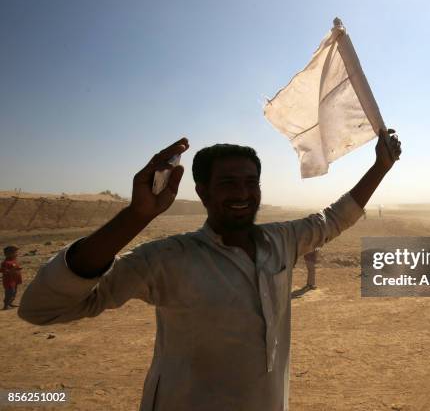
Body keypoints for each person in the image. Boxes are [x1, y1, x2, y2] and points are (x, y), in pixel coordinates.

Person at [19, 131, 402, 410]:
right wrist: (136, 216)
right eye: (228, 183)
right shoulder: (169, 259)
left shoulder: (281, 240)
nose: (242, 193)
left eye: (251, 183)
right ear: (202, 192)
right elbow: (42, 308)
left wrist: (380, 167)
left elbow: (334, 219)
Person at [2, 245, 22, 310]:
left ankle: (10, 303)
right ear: (9, 254)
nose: (16, 254)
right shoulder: (5, 262)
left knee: (14, 292)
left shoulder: (14, 261)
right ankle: (6, 305)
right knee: (10, 292)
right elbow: (3, 271)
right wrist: (11, 270)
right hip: (9, 281)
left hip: (15, 280)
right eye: (15, 252)